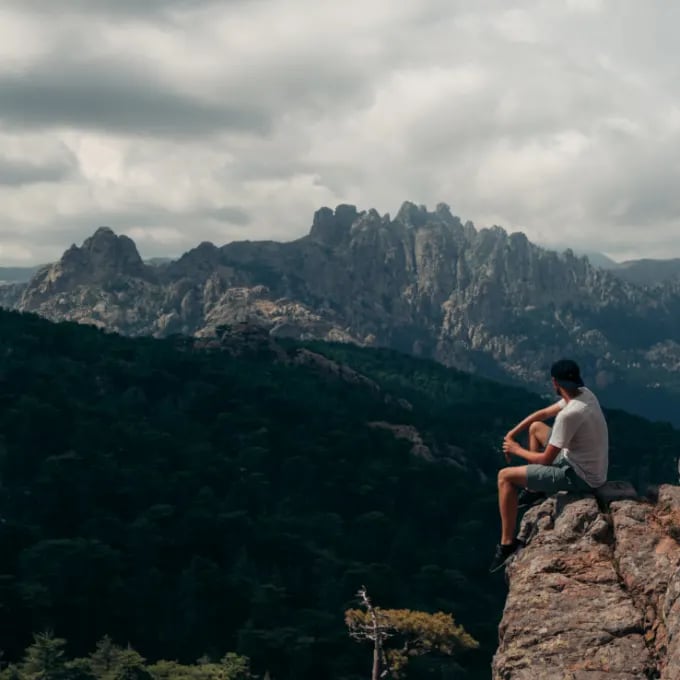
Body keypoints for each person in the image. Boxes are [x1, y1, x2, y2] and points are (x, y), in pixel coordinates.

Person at [488, 358, 609, 573]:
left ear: (554, 382)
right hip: (585, 462)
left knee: (504, 477)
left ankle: (507, 545)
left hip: (580, 475)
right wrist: (512, 434)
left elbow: (545, 459)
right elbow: (542, 415)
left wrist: (515, 449)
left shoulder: (569, 415)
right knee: (536, 428)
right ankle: (535, 489)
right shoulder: (584, 395)